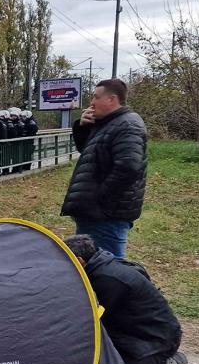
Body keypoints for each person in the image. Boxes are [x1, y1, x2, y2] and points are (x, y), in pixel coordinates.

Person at [64, 235, 194, 364]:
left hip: (155, 336)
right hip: (130, 329)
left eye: (66, 261)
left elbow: (93, 320)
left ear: (79, 260)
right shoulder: (100, 265)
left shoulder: (107, 279)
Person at [61, 79, 147, 258]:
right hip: (95, 214)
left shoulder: (127, 125)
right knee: (91, 265)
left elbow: (128, 168)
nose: (91, 102)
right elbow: (90, 153)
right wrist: (83, 128)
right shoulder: (109, 123)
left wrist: (99, 202)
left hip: (106, 216)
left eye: (96, 97)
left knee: (107, 268)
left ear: (111, 100)